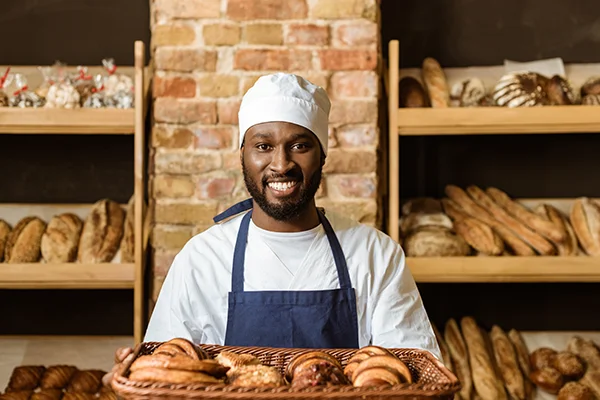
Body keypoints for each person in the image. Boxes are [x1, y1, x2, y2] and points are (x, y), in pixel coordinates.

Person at [144, 72, 441, 358]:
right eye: (264, 146)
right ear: (243, 155)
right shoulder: (202, 259)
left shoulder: (374, 254)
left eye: (300, 146)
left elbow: (413, 376)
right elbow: (161, 374)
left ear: (322, 155)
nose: (281, 164)